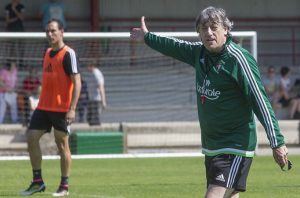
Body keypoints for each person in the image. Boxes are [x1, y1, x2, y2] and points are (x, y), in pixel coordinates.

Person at [130, 7, 289, 198]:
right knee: (229, 195)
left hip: (235, 144)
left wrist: (277, 142)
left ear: (226, 30)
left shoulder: (238, 59)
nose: (209, 33)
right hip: (213, 144)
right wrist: (147, 37)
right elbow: (174, 46)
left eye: (214, 27)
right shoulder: (199, 54)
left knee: (213, 195)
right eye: (203, 29)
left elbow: (260, 101)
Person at [21, 19, 81, 197]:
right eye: (47, 31)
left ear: (62, 32)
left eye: (53, 31)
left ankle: (64, 186)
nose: (50, 34)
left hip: (62, 108)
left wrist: (72, 108)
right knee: (31, 138)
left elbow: (77, 83)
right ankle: (37, 182)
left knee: (62, 145)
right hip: (44, 107)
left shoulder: (69, 54)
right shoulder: (47, 52)